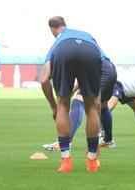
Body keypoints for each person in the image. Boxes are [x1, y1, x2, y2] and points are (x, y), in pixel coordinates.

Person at [40, 16, 104, 174]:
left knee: (63, 104)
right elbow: (104, 62)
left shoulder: (59, 40)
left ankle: (66, 161)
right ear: (65, 25)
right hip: (91, 51)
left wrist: (54, 107)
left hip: (65, 50)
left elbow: (43, 80)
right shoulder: (87, 36)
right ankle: (92, 160)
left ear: (53, 29)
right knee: (91, 107)